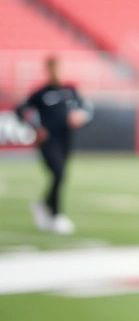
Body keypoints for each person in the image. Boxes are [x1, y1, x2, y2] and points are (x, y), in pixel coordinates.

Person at [15, 55, 92, 235]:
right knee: (58, 172)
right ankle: (56, 215)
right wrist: (35, 127)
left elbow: (87, 109)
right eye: (53, 69)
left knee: (61, 175)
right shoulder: (41, 93)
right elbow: (20, 109)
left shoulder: (70, 90)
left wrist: (80, 116)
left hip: (66, 139)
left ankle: (43, 205)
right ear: (48, 71)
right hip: (48, 141)